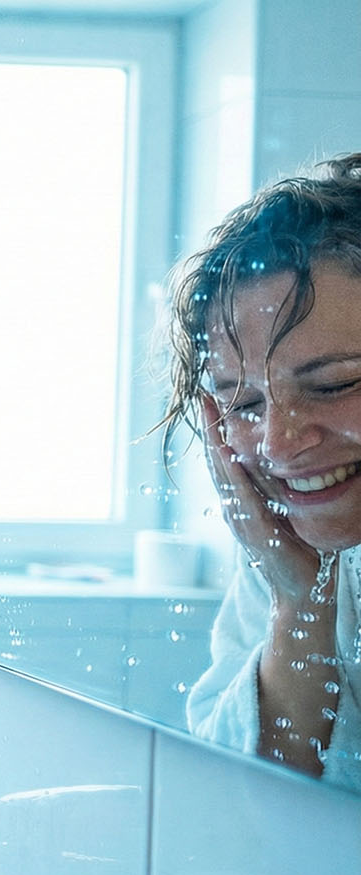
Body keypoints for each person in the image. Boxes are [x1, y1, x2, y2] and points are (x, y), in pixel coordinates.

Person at [163, 152, 361, 790]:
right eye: (244, 404)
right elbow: (244, 813)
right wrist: (299, 602)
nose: (277, 445)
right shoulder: (297, 553)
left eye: (334, 385)